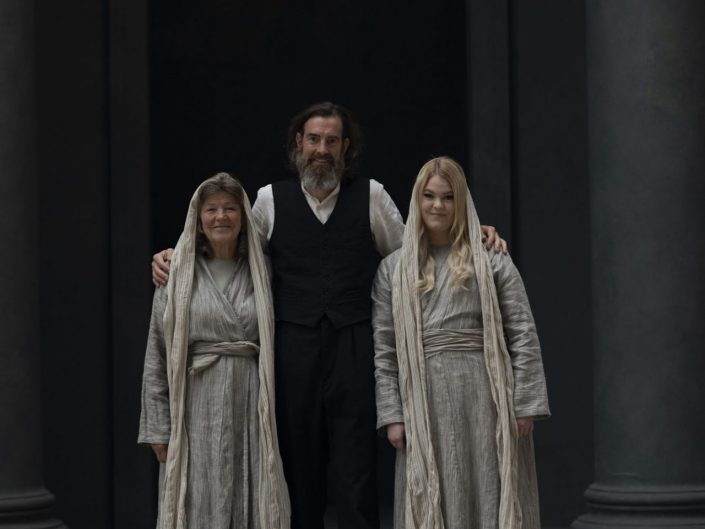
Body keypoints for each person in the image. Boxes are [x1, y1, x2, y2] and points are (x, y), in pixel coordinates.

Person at [151, 103, 506, 529]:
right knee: (299, 475)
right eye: (314, 140)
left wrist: (473, 232)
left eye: (332, 141)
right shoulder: (268, 200)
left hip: (355, 349)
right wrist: (176, 254)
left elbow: (415, 254)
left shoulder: (371, 196)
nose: (322, 149)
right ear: (298, 144)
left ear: (345, 148)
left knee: (358, 476)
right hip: (291, 353)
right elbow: (231, 249)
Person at [372, 157, 549, 529]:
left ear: (461, 201)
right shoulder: (393, 269)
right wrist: (392, 415)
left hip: (486, 396)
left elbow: (522, 331)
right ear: (417, 200)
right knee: (432, 492)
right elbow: (385, 350)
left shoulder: (491, 260)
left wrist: (525, 403)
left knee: (489, 487)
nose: (438, 205)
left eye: (449, 197)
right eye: (429, 196)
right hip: (422, 400)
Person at [138, 173, 290, 529]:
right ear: (198, 218)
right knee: (196, 494)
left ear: (243, 217)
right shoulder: (176, 273)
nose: (221, 216)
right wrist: (158, 427)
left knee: (250, 488)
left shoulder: (264, 271)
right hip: (195, 402)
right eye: (211, 209)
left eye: (230, 208)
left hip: (251, 399)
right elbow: (157, 353)